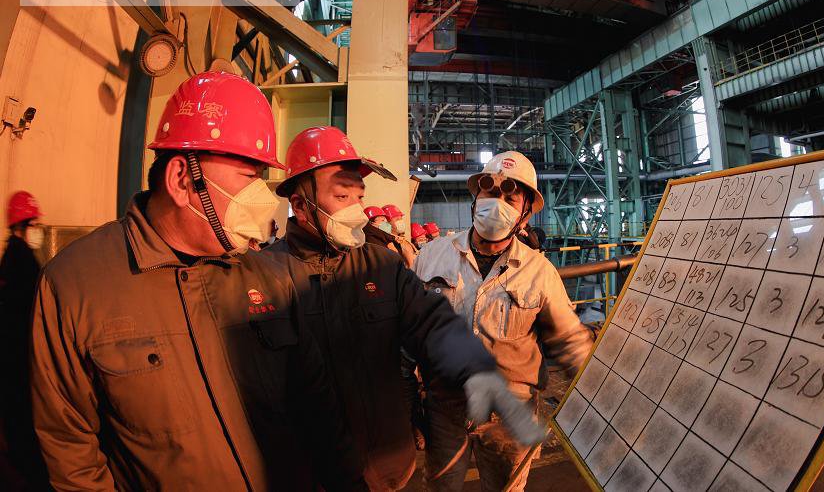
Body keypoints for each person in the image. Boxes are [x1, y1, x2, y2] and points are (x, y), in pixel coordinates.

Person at [30, 72, 364, 491]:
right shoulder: (75, 286)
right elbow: (70, 450)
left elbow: (320, 414)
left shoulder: (272, 277)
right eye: (249, 176)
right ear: (182, 181)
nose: (263, 197)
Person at [265, 126, 545, 492]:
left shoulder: (382, 267)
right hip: (305, 469)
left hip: (382, 466)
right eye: (342, 195)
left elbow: (430, 323)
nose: (356, 210)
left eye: (359, 196)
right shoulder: (262, 278)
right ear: (300, 205)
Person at [414, 151, 594, 491]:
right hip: (444, 409)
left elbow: (569, 340)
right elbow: (409, 333)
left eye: (510, 198)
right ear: (475, 198)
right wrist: (407, 400)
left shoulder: (539, 272)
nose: (496, 203)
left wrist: (599, 397)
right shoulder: (432, 257)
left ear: (525, 213)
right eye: (490, 192)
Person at [0, 191, 48, 491]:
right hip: (21, 356)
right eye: (33, 225)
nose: (37, 230)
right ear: (21, 227)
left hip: (11, 356)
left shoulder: (11, 258)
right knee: (23, 419)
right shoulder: (23, 263)